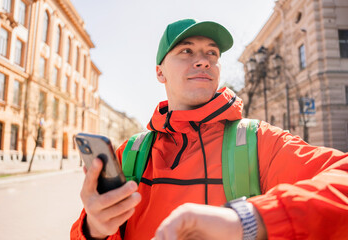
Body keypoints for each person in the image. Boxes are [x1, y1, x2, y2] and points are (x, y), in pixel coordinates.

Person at [71, 19, 348, 240]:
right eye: (186, 51)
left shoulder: (260, 141)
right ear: (160, 72)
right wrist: (93, 229)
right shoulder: (130, 153)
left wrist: (251, 219)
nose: (203, 60)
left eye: (211, 53)